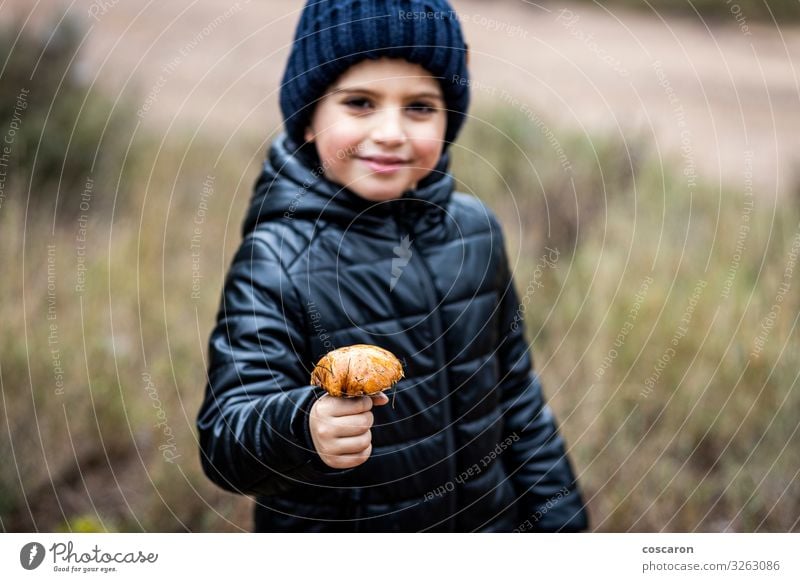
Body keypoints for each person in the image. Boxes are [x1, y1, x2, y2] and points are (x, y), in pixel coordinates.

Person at [196, 0, 588, 532]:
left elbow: (519, 400)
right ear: (309, 120)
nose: (390, 132)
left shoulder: (475, 234)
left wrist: (563, 527)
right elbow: (225, 440)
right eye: (360, 102)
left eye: (420, 107)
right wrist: (302, 426)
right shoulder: (276, 260)